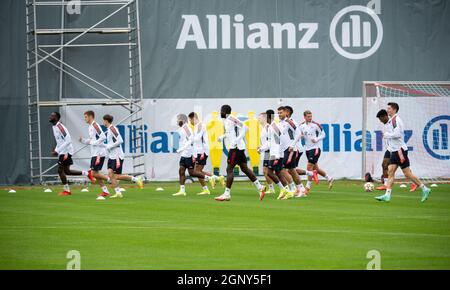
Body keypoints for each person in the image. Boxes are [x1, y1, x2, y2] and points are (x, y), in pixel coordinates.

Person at [375, 103, 431, 202]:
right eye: (387, 108)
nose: (387, 110)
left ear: (395, 109)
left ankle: (424, 188)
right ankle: (387, 195)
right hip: (394, 151)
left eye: (389, 108)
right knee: (391, 171)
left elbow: (398, 134)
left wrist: (387, 135)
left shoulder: (397, 120)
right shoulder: (391, 121)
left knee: (407, 173)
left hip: (400, 150)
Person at [214, 105, 266, 202]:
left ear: (225, 111)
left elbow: (245, 128)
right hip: (238, 147)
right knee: (244, 168)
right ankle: (260, 187)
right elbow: (230, 133)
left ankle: (227, 194)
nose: (220, 112)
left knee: (229, 169)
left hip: (236, 148)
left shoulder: (232, 118)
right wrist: (222, 137)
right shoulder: (226, 120)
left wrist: (237, 139)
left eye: (221, 110)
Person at [173, 114, 219, 196]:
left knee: (192, 173)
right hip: (185, 154)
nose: (177, 121)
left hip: (189, 153)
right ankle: (182, 191)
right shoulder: (183, 128)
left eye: (178, 120)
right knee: (181, 171)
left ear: (182, 120)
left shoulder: (186, 128)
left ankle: (209, 178)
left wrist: (182, 148)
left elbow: (191, 139)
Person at [49, 112, 91, 196]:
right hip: (63, 151)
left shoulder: (60, 127)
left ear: (57, 118)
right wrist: (57, 150)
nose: (50, 117)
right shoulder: (54, 127)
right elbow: (60, 141)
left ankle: (67, 190)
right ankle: (87, 173)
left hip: (66, 152)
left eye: (52, 115)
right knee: (67, 171)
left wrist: (58, 151)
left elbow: (68, 140)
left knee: (60, 171)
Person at [102, 114, 144, 199]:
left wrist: (110, 146)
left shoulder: (113, 129)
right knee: (110, 174)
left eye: (103, 120)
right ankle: (118, 193)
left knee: (116, 176)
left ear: (106, 121)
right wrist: (105, 145)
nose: (103, 122)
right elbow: (112, 143)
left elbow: (120, 140)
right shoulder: (109, 129)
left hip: (117, 156)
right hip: (111, 156)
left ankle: (136, 179)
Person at [375, 109, 417, 192]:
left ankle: (415, 183)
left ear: (385, 116)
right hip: (390, 148)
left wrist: (387, 135)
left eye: (380, 119)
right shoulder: (386, 124)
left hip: (398, 148)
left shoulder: (393, 122)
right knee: (384, 164)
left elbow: (397, 134)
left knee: (405, 169)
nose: (380, 121)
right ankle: (386, 185)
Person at [188, 112, 224, 195]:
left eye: (190, 120)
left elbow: (197, 139)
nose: (190, 122)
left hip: (202, 151)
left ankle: (207, 186)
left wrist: (190, 138)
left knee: (196, 171)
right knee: (198, 171)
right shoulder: (197, 126)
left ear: (194, 118)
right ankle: (217, 178)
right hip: (199, 151)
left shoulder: (201, 125)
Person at [79, 110, 112, 200]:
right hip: (95, 153)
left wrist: (94, 143)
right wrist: (83, 140)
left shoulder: (95, 125)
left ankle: (109, 179)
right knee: (95, 173)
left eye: (86, 116)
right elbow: (91, 141)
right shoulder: (90, 126)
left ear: (90, 117)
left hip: (99, 153)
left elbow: (103, 137)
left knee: (93, 173)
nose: (85, 118)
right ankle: (105, 191)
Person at [299, 110, 333, 194]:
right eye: (308, 116)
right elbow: (299, 135)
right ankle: (329, 178)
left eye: (311, 116)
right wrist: (301, 136)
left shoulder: (316, 125)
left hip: (315, 148)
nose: (310, 118)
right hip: (307, 149)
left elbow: (324, 134)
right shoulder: (301, 126)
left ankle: (307, 188)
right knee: (315, 169)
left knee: (309, 167)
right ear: (304, 117)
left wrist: (317, 139)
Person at [257, 109, 289, 197]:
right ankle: (287, 190)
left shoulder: (274, 127)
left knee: (269, 173)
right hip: (274, 153)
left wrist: (277, 155)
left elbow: (279, 142)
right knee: (278, 172)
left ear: (267, 117)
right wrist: (261, 149)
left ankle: (283, 189)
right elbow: (270, 142)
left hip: (276, 154)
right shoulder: (271, 126)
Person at [257, 111, 276, 195]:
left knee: (270, 171)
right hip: (266, 151)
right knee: (266, 171)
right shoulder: (263, 128)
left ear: (265, 118)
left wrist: (261, 148)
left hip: (270, 151)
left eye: (260, 117)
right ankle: (272, 188)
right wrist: (260, 147)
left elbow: (270, 141)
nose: (258, 119)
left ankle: (286, 187)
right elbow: (265, 142)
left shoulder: (268, 127)